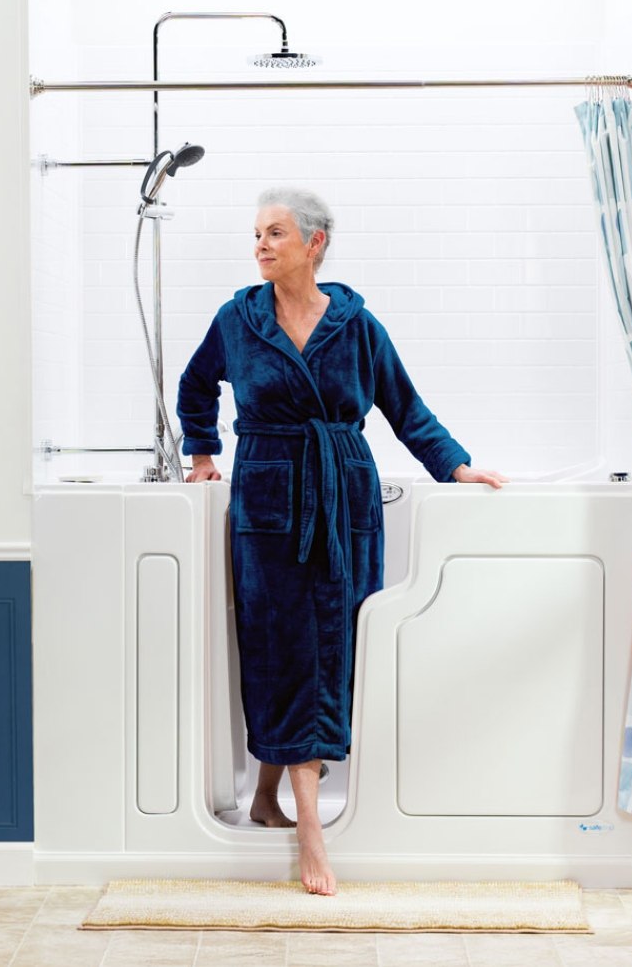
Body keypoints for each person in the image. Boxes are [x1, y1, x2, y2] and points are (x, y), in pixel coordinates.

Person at [177, 187, 507, 896]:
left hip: (343, 495)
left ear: (314, 243)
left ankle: (268, 797)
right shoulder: (238, 319)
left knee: (332, 646)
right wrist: (202, 452)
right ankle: (309, 831)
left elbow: (406, 408)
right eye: (256, 234)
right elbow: (196, 385)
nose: (260, 244)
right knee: (279, 645)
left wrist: (455, 465)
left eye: (275, 233)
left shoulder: (357, 326)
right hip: (267, 498)